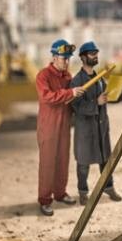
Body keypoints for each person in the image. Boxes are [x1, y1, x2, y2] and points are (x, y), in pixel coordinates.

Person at [36, 39, 84, 216]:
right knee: (48, 163)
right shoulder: (43, 76)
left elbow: (70, 101)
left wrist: (80, 99)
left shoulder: (68, 77)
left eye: (68, 58)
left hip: (64, 125)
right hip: (48, 126)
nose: (66, 61)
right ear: (54, 57)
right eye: (63, 58)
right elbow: (47, 97)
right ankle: (45, 200)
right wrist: (70, 92)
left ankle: (60, 193)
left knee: (63, 161)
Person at [70, 41, 122, 203]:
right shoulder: (77, 81)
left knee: (105, 159)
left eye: (96, 53)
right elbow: (76, 105)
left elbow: (106, 96)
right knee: (83, 163)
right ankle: (83, 192)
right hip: (86, 129)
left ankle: (109, 188)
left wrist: (118, 91)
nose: (95, 56)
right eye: (92, 54)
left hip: (101, 126)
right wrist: (95, 103)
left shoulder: (100, 79)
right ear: (83, 57)